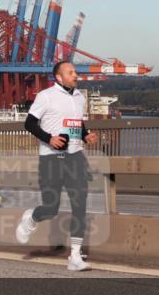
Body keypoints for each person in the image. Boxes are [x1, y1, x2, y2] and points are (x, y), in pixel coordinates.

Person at [15, 60, 99, 271]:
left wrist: (86, 135)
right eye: (71, 72)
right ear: (59, 77)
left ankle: (75, 256)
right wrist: (49, 138)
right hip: (51, 158)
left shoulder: (79, 97)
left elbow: (76, 124)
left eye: (75, 72)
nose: (76, 75)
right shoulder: (46, 96)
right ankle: (32, 217)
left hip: (75, 157)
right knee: (51, 209)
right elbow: (29, 123)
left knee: (79, 204)